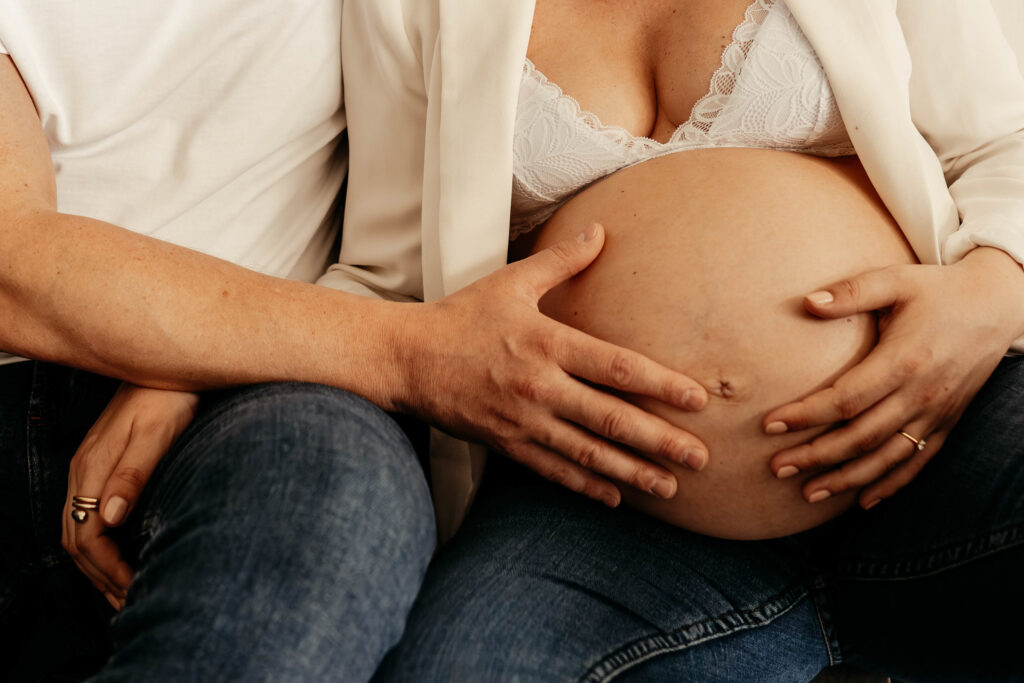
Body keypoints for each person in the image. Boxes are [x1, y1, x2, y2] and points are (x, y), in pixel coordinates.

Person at [0, 3, 712, 681]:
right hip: (32, 383)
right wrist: (412, 353)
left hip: (255, 378)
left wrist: (188, 358)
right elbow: (12, 266)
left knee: (337, 488)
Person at [330, 0, 1024, 680]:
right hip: (605, 505)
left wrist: (993, 292)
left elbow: (1005, 143)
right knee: (455, 665)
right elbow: (388, 278)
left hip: (943, 425)